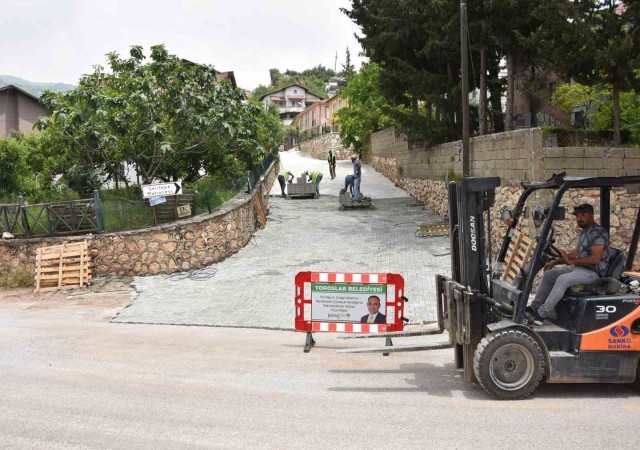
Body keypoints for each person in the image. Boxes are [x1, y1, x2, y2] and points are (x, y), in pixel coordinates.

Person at [528, 203, 611, 324]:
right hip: (579, 269)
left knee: (563, 279)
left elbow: (595, 259)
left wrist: (572, 261)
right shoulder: (584, 233)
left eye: (583, 215)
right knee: (549, 275)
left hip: (593, 272)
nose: (579, 218)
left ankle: (541, 314)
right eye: (577, 216)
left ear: (592, 216)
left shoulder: (598, 233)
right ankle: (534, 308)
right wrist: (555, 262)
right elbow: (574, 254)